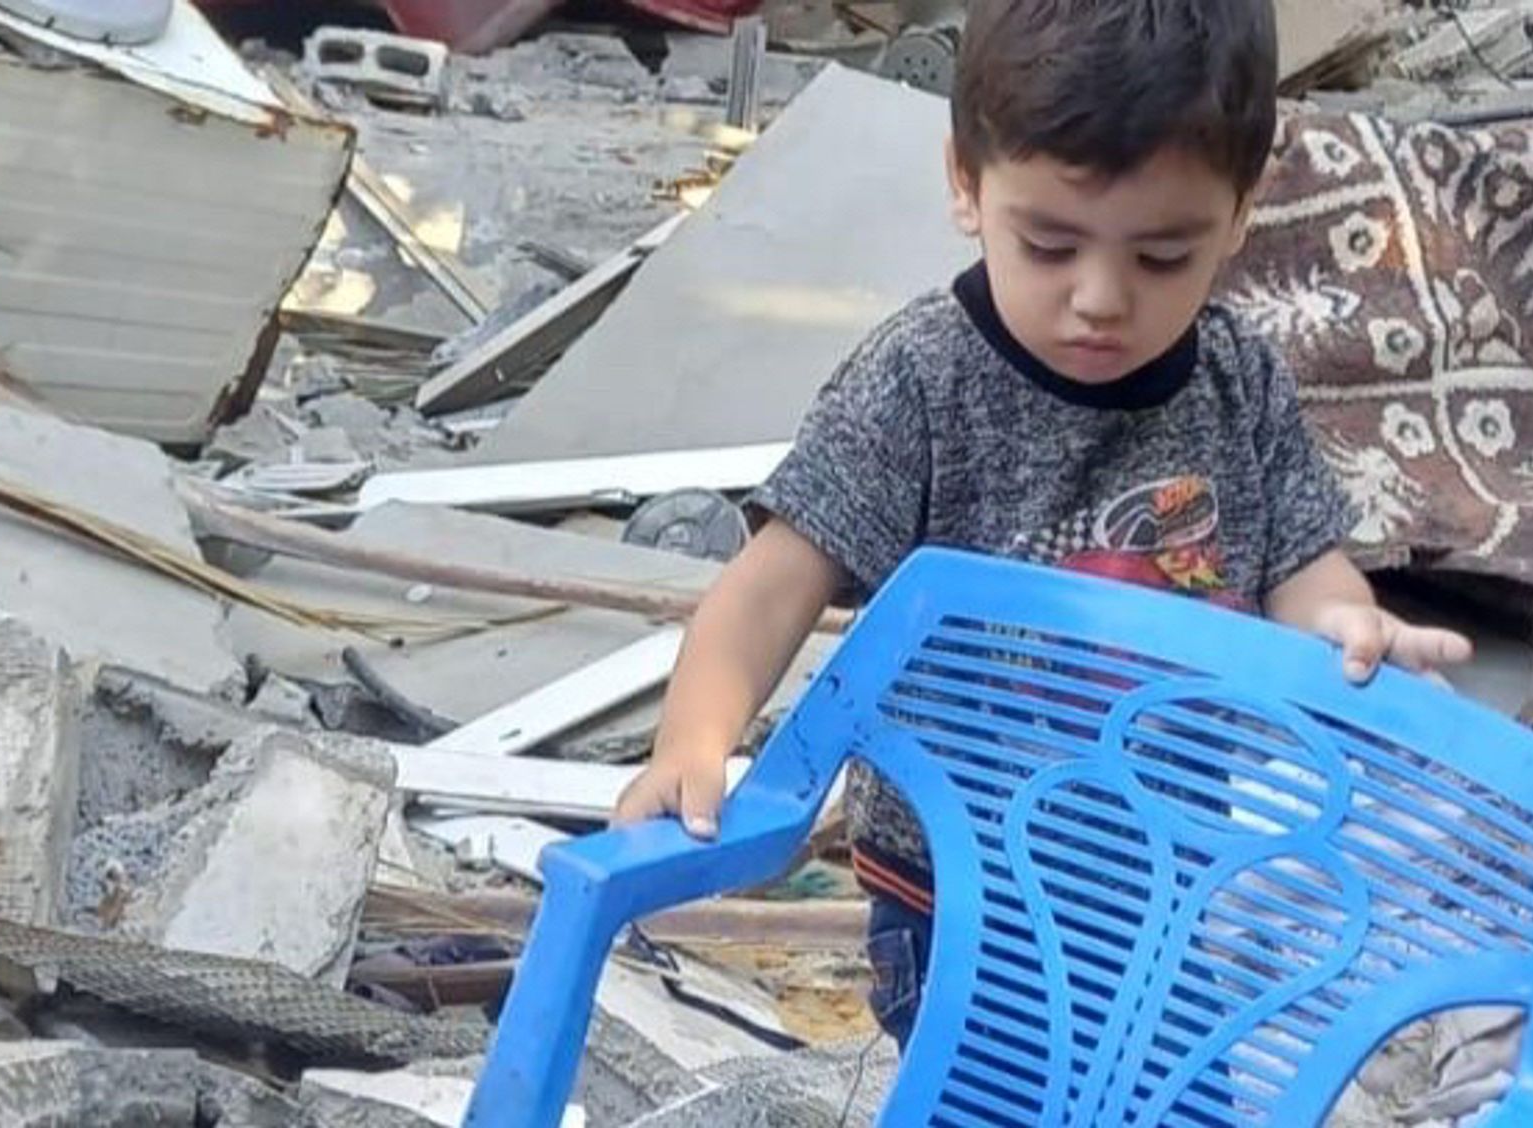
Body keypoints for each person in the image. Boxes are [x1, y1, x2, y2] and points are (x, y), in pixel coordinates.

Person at [611, 0, 1474, 1048]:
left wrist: (1344, 622)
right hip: (957, 891)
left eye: (1162, 258)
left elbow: (1302, 564)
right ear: (966, 184)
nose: (1099, 299)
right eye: (1050, 244)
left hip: (1161, 878)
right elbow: (766, 587)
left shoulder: (1237, 380)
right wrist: (694, 737)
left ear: (1240, 214)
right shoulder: (921, 382)